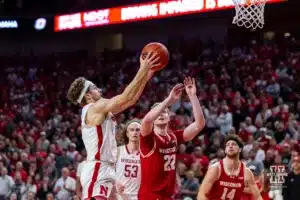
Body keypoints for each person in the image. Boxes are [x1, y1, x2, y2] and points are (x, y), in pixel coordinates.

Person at [66, 53, 159, 200]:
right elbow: (125, 97)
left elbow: (131, 100)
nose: (100, 90)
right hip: (97, 168)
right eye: (95, 88)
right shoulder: (95, 107)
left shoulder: (99, 109)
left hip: (107, 167)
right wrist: (142, 69)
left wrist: (144, 77)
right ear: (88, 96)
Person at [138, 77, 205, 200]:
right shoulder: (148, 138)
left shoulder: (174, 136)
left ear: (169, 117)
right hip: (150, 196)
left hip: (168, 195)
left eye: (165, 112)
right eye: (158, 112)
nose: (161, 113)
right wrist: (169, 100)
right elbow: (146, 120)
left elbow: (199, 124)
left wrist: (192, 96)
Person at [197, 134, 263, 200]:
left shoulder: (246, 172)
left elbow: (258, 197)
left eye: (233, 144)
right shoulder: (216, 168)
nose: (230, 146)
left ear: (240, 149)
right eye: (228, 145)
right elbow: (201, 195)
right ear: (225, 150)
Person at [116, 119, 141, 200]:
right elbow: (106, 170)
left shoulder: (146, 153)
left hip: (139, 195)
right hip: (120, 195)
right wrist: (114, 183)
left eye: (138, 130)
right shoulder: (118, 151)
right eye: (132, 130)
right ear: (127, 133)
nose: (135, 132)